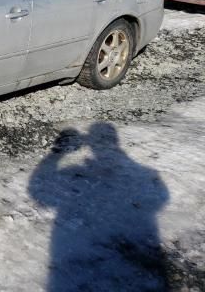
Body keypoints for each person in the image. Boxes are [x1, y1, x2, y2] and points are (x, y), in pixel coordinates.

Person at [28, 123, 170, 291]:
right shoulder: (146, 175)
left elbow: (39, 192)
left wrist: (57, 154)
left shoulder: (143, 175)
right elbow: (160, 198)